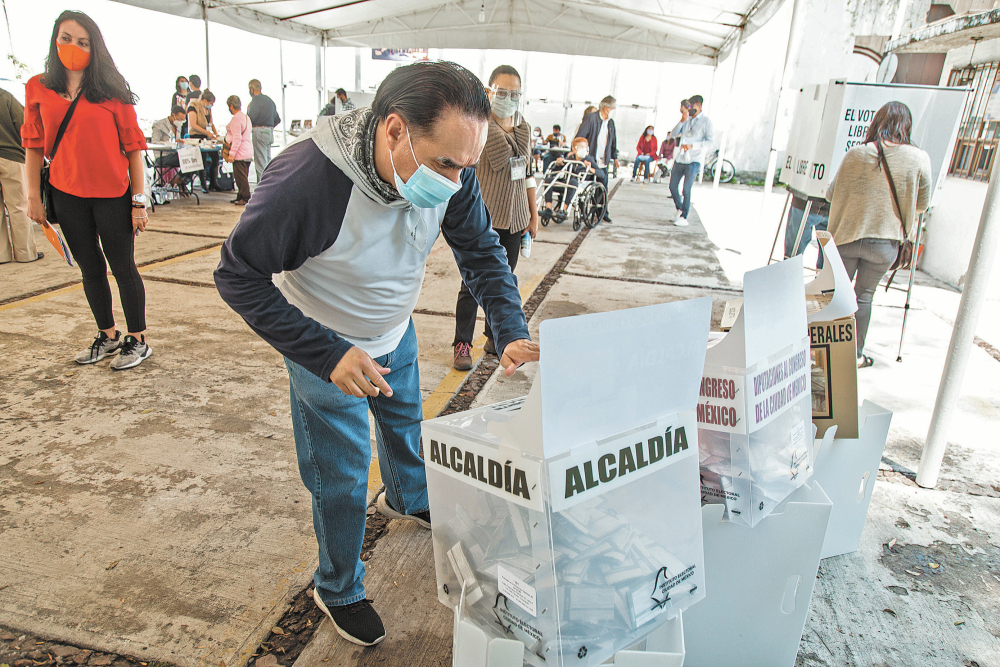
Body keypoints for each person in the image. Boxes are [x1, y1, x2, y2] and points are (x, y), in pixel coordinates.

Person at [215, 60, 538, 647]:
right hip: (328, 350)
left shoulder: (452, 172)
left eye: (466, 165)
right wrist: (326, 353)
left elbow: (483, 252)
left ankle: (408, 496)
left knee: (405, 424)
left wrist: (509, 324)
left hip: (395, 330)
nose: (456, 179)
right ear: (394, 130)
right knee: (339, 477)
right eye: (446, 163)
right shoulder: (305, 181)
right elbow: (237, 275)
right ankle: (337, 586)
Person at [23, 10, 151, 369]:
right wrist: (33, 196)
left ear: (94, 47)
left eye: (83, 42)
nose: (74, 47)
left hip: (113, 194)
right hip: (66, 195)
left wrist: (138, 202)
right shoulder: (38, 88)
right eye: (66, 38)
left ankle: (137, 339)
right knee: (89, 268)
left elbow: (134, 149)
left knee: (123, 267)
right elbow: (33, 145)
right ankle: (108, 334)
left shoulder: (111, 90)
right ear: (55, 40)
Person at [826, 101, 930, 369]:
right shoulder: (919, 158)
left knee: (835, 295)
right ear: (906, 127)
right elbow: (922, 204)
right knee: (864, 297)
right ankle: (854, 357)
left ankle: (819, 351)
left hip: (847, 238)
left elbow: (830, 194)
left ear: (877, 122)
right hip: (885, 244)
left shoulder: (856, 154)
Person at [452, 64, 539, 370]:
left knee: (503, 279)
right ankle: (462, 341)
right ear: (490, 92)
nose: (509, 98)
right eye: (502, 93)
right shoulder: (482, 126)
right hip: (485, 214)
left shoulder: (524, 128)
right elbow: (503, 160)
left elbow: (526, 171)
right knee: (472, 282)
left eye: (515, 93)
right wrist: (499, 124)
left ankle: (496, 336)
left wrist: (533, 212)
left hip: (514, 216)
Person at [1, 86, 42, 264]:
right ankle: (26, 254)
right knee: (18, 207)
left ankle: (1, 256)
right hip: (11, 157)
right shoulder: (5, 96)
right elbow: (25, 124)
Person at [669, 95, 714, 227]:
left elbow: (710, 142)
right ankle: (679, 207)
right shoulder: (687, 120)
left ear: (699, 106)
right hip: (681, 158)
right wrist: (682, 121)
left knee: (686, 189)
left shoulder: (706, 122)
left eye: (691, 106)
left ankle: (684, 216)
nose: (689, 109)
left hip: (694, 160)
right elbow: (673, 134)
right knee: (672, 186)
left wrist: (693, 146)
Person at [575, 95, 617, 222]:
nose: (615, 111)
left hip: (603, 161)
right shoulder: (591, 119)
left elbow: (613, 141)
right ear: (606, 108)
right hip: (590, 159)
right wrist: (581, 156)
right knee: (585, 187)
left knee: (603, 186)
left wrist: (614, 157)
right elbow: (580, 138)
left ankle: (603, 212)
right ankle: (583, 212)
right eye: (613, 108)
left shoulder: (610, 123)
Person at [541, 136, 595, 220]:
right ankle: (548, 209)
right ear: (574, 149)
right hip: (566, 183)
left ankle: (564, 210)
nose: (584, 149)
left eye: (585, 147)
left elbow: (601, 173)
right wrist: (559, 163)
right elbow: (557, 169)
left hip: (580, 185)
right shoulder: (570, 158)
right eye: (581, 147)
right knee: (548, 180)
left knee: (573, 182)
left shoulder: (589, 159)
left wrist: (590, 168)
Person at [783, 188, 829, 270]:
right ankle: (788, 277)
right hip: (804, 202)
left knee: (827, 262)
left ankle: (789, 277)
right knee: (792, 258)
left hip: (831, 207)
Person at [187, 89, 221, 193]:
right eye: (210, 103)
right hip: (196, 135)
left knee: (215, 158)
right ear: (205, 100)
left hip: (207, 136)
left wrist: (216, 134)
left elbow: (211, 123)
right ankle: (203, 184)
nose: (211, 106)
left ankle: (213, 183)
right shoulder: (193, 106)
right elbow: (193, 124)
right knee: (201, 160)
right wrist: (207, 133)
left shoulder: (208, 109)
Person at [247, 79, 280, 182]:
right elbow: (277, 119)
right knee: (268, 163)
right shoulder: (270, 101)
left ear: (252, 89)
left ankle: (261, 191)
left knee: (260, 164)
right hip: (269, 132)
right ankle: (270, 186)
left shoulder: (255, 101)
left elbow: (250, 118)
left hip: (259, 132)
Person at [224, 95, 253, 206]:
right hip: (248, 151)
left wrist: (232, 153)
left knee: (240, 178)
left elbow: (237, 138)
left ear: (231, 106)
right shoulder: (246, 117)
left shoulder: (236, 119)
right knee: (243, 175)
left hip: (240, 153)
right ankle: (240, 196)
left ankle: (245, 197)